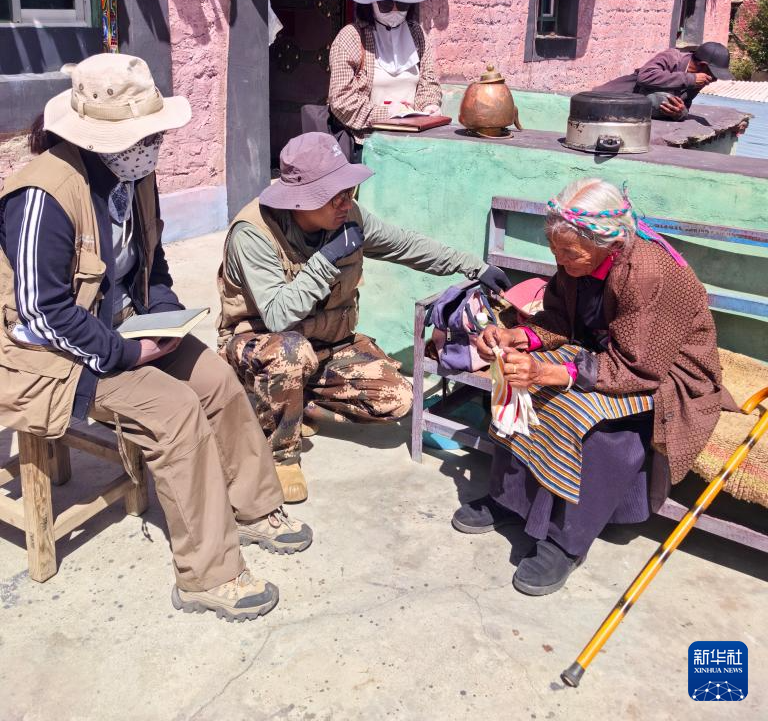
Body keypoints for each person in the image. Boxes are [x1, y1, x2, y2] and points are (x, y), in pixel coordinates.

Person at [0, 54, 311, 623]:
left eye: (154, 134)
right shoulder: (43, 194)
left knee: (216, 380)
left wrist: (165, 319)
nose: (154, 146)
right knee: (174, 413)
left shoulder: (134, 177)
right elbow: (42, 313)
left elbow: (154, 264)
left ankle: (254, 508)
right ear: (99, 137)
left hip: (118, 328)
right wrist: (125, 352)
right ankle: (207, 574)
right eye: (143, 136)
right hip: (48, 356)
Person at [451, 178, 736, 596]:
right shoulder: (577, 263)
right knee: (514, 386)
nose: (560, 260)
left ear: (609, 242)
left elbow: (638, 368)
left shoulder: (649, 274)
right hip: (601, 353)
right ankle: (508, 499)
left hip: (665, 375)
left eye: (569, 253)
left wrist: (548, 373)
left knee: (583, 416)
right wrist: (518, 337)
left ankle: (565, 541)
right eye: (555, 250)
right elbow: (559, 321)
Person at [217, 131, 509, 503]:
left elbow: (405, 244)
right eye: (335, 195)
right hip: (260, 343)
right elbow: (278, 315)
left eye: (349, 191)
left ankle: (293, 401)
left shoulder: (347, 216)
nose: (346, 202)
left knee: (396, 398)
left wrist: (474, 267)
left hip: (325, 344)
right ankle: (280, 454)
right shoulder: (253, 233)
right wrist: (325, 262)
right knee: (290, 351)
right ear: (301, 200)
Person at [327, 0, 442, 144]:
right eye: (387, 4)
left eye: (402, 3)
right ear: (371, 3)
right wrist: (387, 114)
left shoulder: (417, 34)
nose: (395, 10)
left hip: (412, 141)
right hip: (367, 142)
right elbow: (341, 100)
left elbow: (429, 81)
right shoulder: (351, 37)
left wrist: (429, 105)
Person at [595, 42, 732, 119]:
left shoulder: (697, 81)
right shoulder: (672, 57)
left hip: (630, 114)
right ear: (702, 65)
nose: (714, 80)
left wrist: (681, 113)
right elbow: (645, 76)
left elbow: (685, 105)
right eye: (714, 75)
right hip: (603, 101)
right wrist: (689, 79)